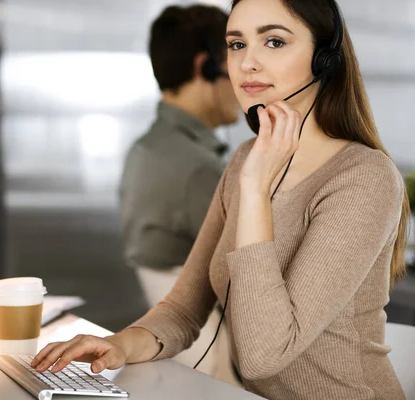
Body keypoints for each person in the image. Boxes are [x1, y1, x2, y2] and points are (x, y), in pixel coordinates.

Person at [32, 0, 411, 398]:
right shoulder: (248, 158)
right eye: (236, 44)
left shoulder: (363, 177)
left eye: (274, 42)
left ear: (325, 59)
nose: (247, 62)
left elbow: (262, 356)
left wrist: (255, 190)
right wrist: (121, 345)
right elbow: (183, 308)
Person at [117, 4, 241, 381]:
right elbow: (253, 275)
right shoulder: (198, 168)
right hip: (219, 362)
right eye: (234, 57)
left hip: (184, 356)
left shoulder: (146, 149)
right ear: (206, 67)